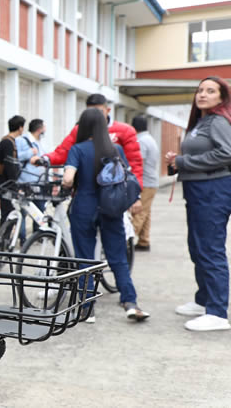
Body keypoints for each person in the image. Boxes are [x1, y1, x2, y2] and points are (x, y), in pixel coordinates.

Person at [62, 108, 149, 323]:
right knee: (118, 257)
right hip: (111, 209)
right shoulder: (116, 149)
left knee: (85, 258)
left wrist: (65, 184)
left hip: (83, 208)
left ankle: (87, 308)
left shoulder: (78, 149)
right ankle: (130, 303)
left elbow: (68, 179)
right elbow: (126, 178)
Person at [166, 76, 231, 332]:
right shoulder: (203, 121)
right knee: (198, 247)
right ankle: (204, 299)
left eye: (210, 91)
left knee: (210, 248)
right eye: (200, 90)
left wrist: (184, 162)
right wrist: (178, 160)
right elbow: (204, 153)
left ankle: (217, 312)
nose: (203, 94)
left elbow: (229, 153)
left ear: (222, 97)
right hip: (198, 189)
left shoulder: (220, 120)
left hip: (214, 189)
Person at [32, 93, 143, 214]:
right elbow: (63, 151)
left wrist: (136, 196)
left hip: (113, 194)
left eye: (99, 111)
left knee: (121, 228)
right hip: (85, 192)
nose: (95, 116)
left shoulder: (124, 131)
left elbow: (134, 165)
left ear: (108, 110)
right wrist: (45, 159)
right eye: (90, 112)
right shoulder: (79, 131)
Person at [130, 116, 159, 252]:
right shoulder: (150, 139)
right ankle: (144, 241)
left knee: (139, 213)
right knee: (146, 213)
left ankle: (126, 243)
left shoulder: (140, 142)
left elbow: (138, 162)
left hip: (145, 182)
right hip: (152, 181)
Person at [16, 119, 47, 241]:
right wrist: (30, 153)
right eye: (44, 128)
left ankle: (38, 235)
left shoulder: (40, 142)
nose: (45, 130)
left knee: (40, 210)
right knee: (24, 210)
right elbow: (17, 157)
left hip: (40, 181)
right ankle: (23, 239)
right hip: (26, 181)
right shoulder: (21, 140)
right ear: (39, 129)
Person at [0, 115, 25, 228]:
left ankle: (4, 240)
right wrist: (15, 184)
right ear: (20, 128)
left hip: (6, 183)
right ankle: (3, 241)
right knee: (7, 213)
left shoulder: (7, 141)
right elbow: (9, 165)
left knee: (8, 212)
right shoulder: (8, 143)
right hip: (6, 184)